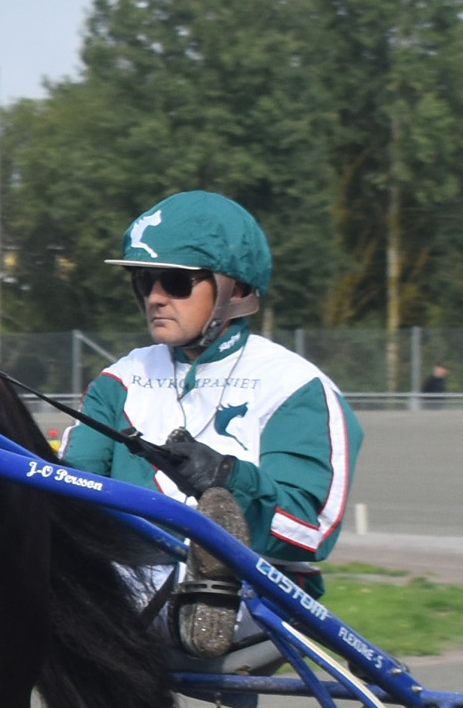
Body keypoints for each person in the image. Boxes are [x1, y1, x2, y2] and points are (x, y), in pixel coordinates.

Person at [62, 190, 363, 658]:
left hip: (260, 596)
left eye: (176, 283)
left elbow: (310, 531)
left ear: (235, 289)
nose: (156, 298)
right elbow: (71, 489)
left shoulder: (295, 388)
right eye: (144, 282)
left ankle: (212, 577)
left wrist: (226, 480)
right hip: (126, 574)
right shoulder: (117, 382)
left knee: (67, 597)